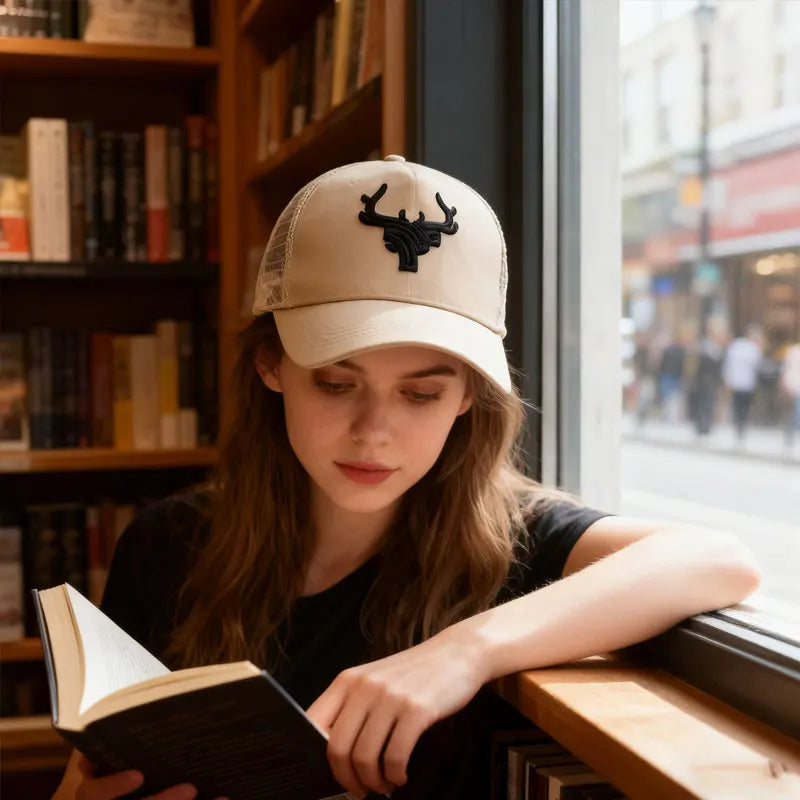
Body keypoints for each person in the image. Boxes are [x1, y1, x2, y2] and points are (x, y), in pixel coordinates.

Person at [52, 157, 761, 800]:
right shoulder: (168, 543)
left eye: (421, 394)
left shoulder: (515, 543)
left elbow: (718, 561)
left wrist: (462, 651)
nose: (373, 431)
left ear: (467, 398)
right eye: (335, 383)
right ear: (270, 367)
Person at [722, 324, 763, 441]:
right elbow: (757, 365)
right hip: (746, 383)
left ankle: (738, 424)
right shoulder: (753, 348)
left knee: (737, 405)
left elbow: (728, 363)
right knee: (743, 405)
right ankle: (741, 425)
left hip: (738, 382)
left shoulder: (736, 345)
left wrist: (727, 378)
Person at [781, 339, 800, 447]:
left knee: (793, 412)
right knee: (794, 412)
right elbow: (787, 369)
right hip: (793, 386)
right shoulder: (793, 351)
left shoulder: (792, 351)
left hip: (792, 385)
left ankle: (789, 433)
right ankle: (789, 434)